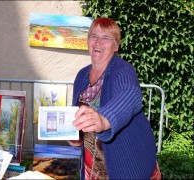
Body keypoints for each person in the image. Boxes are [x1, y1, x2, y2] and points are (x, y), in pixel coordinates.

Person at [68, 17, 161, 179]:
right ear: (87, 41)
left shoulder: (123, 70)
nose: (98, 42)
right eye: (94, 36)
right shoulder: (81, 75)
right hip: (93, 167)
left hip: (128, 165)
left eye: (106, 38)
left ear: (116, 45)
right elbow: (79, 115)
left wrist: (104, 120)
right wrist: (76, 136)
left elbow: (129, 96)